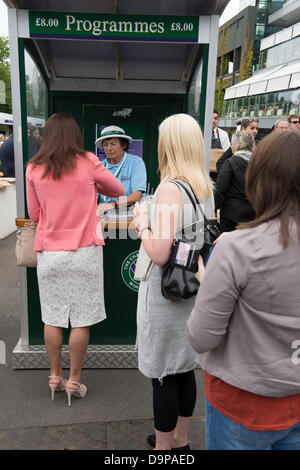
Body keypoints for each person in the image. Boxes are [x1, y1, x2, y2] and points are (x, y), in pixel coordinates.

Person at [187, 129, 300, 450]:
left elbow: (201, 336)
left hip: (240, 404)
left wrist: (207, 282)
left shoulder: (236, 249)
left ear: (258, 180)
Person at [26, 113, 125, 406]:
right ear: (75, 136)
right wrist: (96, 188)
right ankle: (75, 380)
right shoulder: (88, 162)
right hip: (85, 251)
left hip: (50, 253)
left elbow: (33, 215)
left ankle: (54, 376)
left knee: (53, 316)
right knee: (81, 319)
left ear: (46, 136)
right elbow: (118, 190)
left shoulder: (33, 168)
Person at [133, 113, 214, 451]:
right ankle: (181, 440)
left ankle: (163, 449)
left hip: (165, 295)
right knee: (183, 368)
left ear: (170, 145)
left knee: (164, 373)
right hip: (190, 290)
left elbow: (160, 252)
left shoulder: (169, 189)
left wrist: (141, 223)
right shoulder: (204, 187)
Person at [95, 125, 147, 216]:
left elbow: (136, 195)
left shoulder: (136, 162)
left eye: (113, 144)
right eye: (106, 145)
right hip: (104, 213)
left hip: (130, 213)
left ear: (123, 145)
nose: (109, 148)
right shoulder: (99, 166)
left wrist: (113, 204)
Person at [214, 131, 255, 233]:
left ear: (236, 145)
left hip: (232, 216)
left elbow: (220, 189)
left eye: (231, 144)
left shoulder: (230, 162)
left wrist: (214, 207)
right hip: (253, 214)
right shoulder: (259, 162)